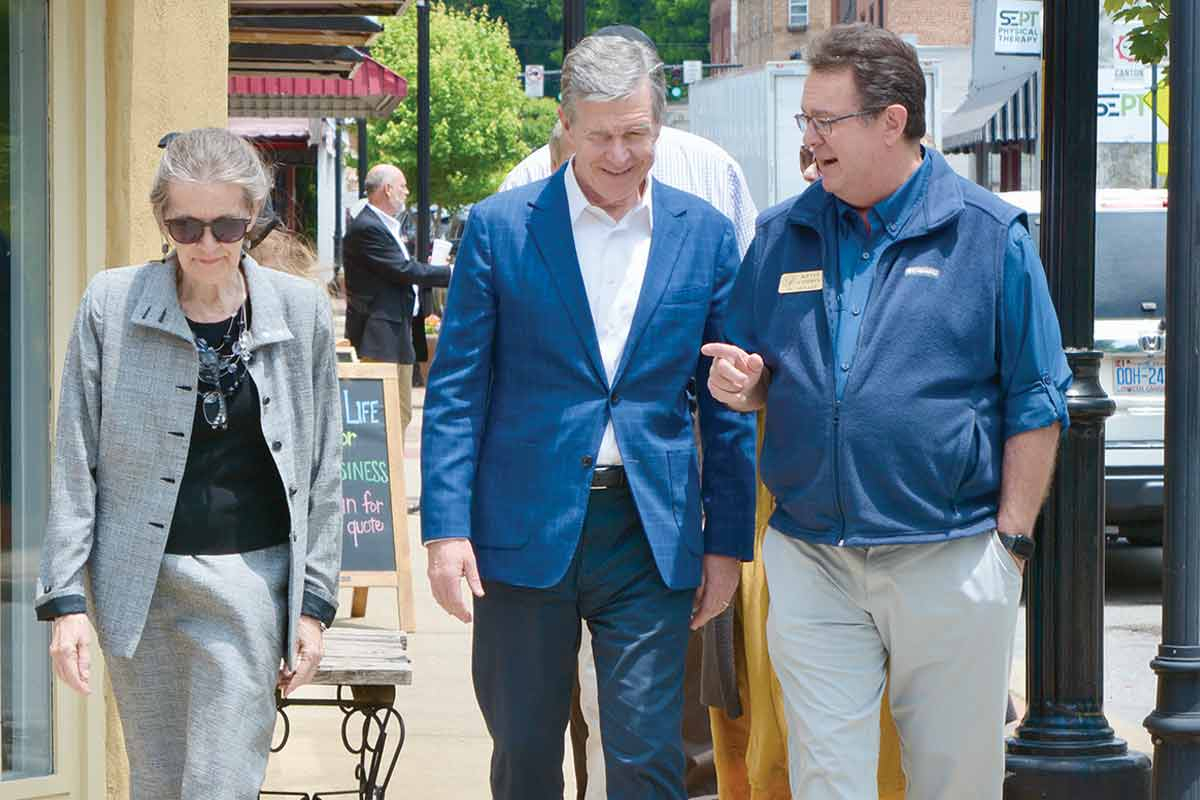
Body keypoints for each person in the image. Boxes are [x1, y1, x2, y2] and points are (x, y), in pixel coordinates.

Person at [704, 24, 1071, 800]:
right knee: (827, 778)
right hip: (813, 559)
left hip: (949, 554)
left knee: (951, 780)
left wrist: (1008, 547)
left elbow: (1037, 399)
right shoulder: (780, 236)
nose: (809, 141)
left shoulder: (988, 236)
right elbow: (759, 367)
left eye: (825, 122)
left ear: (892, 121)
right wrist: (745, 384)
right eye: (804, 121)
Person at [421, 33, 757, 800]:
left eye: (636, 134)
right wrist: (445, 531)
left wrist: (727, 544)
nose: (618, 154)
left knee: (647, 759)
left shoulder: (703, 234)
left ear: (658, 128)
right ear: (565, 127)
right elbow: (457, 392)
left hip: (649, 532)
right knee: (527, 756)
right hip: (520, 534)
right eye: (600, 135)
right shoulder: (503, 228)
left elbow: (726, 405)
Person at [35, 127, 343, 799]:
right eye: (186, 224)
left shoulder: (300, 312)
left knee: (219, 785)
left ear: (254, 217)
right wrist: (65, 604)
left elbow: (323, 473)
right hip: (137, 594)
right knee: (160, 782)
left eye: (227, 225)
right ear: (162, 219)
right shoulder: (112, 305)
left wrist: (314, 607)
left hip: (251, 587)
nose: (207, 244)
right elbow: (74, 460)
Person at [342, 163, 451, 437]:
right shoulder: (368, 227)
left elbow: (399, 268)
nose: (406, 192)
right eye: (402, 186)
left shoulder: (384, 225)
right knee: (388, 415)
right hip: (380, 335)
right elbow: (401, 270)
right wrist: (448, 272)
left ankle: (394, 473)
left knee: (400, 412)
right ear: (387, 189)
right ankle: (388, 477)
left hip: (400, 327)